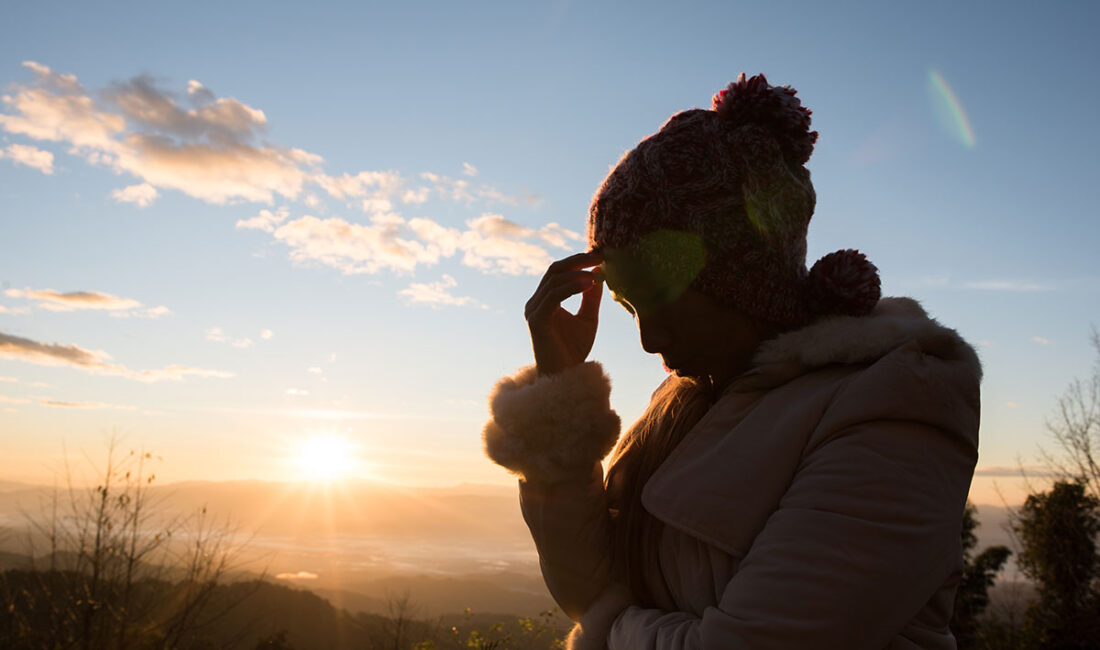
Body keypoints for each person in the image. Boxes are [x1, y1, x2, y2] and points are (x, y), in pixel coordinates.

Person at [482, 73, 981, 649]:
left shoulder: (893, 404)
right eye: (628, 304)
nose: (646, 341)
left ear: (739, 279)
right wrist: (559, 388)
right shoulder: (684, 404)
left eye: (660, 297)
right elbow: (587, 587)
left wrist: (613, 629)